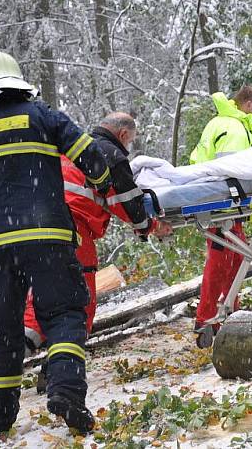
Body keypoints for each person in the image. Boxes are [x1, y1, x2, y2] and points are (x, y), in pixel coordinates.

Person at [0, 49, 111, 434]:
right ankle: (65, 389)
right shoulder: (41, 114)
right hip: (49, 237)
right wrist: (100, 187)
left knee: (2, 328)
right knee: (65, 314)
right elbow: (92, 157)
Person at [23, 113, 172, 361]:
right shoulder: (110, 156)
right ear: (123, 135)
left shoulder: (71, 145)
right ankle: (60, 371)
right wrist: (152, 226)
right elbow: (128, 205)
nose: (129, 146)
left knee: (39, 299)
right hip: (73, 232)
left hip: (37, 226)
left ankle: (4, 364)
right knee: (79, 306)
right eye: (131, 141)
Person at [190, 86, 252, 347]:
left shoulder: (221, 122)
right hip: (222, 202)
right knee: (221, 261)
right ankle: (207, 317)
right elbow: (232, 170)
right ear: (249, 103)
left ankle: (232, 311)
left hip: (216, 200)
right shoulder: (233, 128)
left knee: (234, 259)